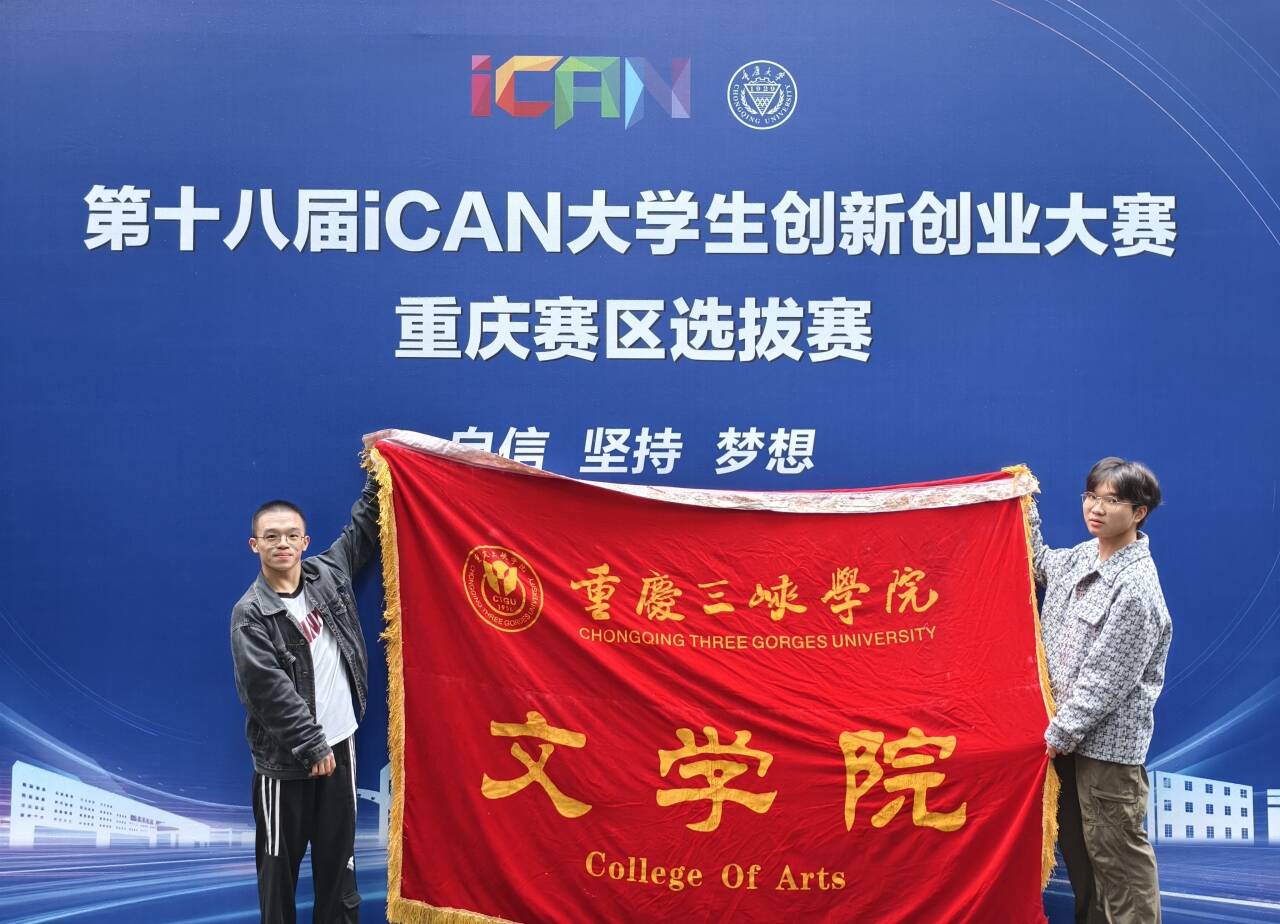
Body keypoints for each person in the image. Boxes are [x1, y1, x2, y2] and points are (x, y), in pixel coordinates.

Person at [230, 463, 379, 924]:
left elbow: (361, 532)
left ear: (305, 542)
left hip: (342, 746)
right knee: (279, 874)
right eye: (271, 536)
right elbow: (266, 691)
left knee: (339, 870)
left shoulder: (328, 575)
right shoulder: (250, 614)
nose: (283, 544)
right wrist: (312, 745)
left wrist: (380, 474)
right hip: (286, 763)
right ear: (255, 545)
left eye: (291, 535)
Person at [1029, 457, 1171, 924]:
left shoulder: (1136, 588)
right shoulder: (1082, 557)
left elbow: (1105, 679)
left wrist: (1057, 734)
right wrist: (1020, 504)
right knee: (1083, 859)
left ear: (1138, 513)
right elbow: (1038, 562)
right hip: (1067, 744)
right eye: (1092, 496)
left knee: (1118, 864)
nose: (1096, 508)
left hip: (1105, 754)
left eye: (1112, 501)